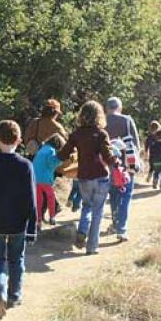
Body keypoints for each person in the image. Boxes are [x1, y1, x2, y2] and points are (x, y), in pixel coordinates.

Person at [0, 120, 37, 319]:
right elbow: (31, 199)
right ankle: (14, 295)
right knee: (16, 259)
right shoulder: (26, 166)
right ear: (19, 140)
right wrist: (32, 227)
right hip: (18, 223)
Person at [58, 101, 117, 255]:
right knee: (98, 212)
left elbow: (63, 154)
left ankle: (82, 231)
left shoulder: (76, 134)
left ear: (82, 116)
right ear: (99, 115)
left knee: (86, 206)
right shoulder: (101, 133)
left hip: (83, 177)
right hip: (101, 176)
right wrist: (117, 163)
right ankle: (92, 247)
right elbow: (108, 156)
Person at [104, 97, 140, 242]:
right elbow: (136, 144)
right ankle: (121, 229)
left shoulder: (102, 122)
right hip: (126, 165)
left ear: (106, 108)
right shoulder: (127, 120)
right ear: (120, 107)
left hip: (109, 165)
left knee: (113, 195)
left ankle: (115, 223)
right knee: (126, 195)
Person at [32, 134, 66, 226]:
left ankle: (38, 221)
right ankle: (52, 217)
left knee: (39, 200)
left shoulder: (42, 149)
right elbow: (52, 164)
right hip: (45, 179)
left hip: (35, 179)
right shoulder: (51, 150)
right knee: (50, 197)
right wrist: (60, 160)